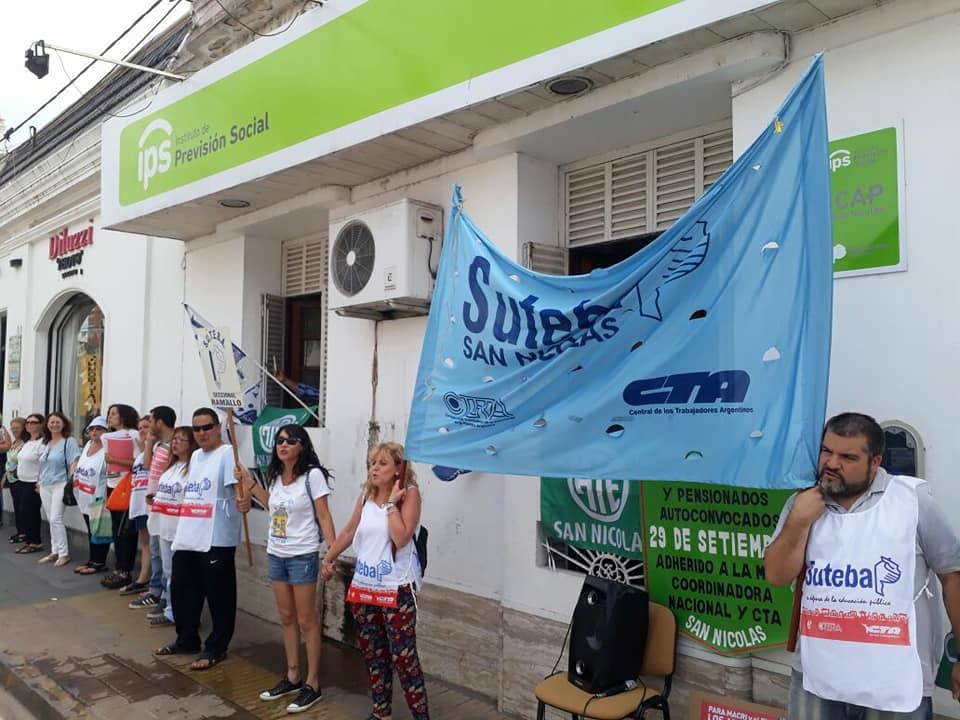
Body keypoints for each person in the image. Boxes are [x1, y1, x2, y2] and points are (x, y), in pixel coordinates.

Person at [764, 412, 960, 719]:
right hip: (818, 675)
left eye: (847, 457)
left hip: (895, 679)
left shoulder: (912, 501)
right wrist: (798, 521)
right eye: (826, 451)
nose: (831, 463)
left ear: (874, 462)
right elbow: (776, 575)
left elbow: (952, 576)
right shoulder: (802, 503)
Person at [321, 442, 429, 720]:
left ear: (398, 468)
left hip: (396, 588)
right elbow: (349, 531)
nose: (374, 469)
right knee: (374, 654)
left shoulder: (409, 495)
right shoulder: (366, 495)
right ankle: (381, 712)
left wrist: (391, 504)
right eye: (372, 463)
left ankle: (421, 716)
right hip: (365, 587)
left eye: (382, 463)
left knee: (404, 658)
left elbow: (401, 538)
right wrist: (329, 558)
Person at [235, 424, 336, 713]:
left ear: (302, 445)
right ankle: (292, 676)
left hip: (302, 555)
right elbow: (273, 506)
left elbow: (324, 516)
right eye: (279, 440)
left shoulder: (312, 476)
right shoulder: (276, 476)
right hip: (276, 553)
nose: (283, 444)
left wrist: (331, 554)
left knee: (306, 619)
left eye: (291, 440)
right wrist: (249, 484)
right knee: (286, 617)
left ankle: (312, 683)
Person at [154, 407, 243, 671]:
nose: (202, 433)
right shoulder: (195, 456)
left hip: (217, 536)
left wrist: (245, 498)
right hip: (189, 533)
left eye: (207, 427)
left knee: (219, 596)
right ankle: (186, 639)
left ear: (218, 428)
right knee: (182, 589)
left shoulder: (228, 454)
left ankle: (216, 647)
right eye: (197, 428)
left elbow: (240, 489)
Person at [146, 425, 197, 629]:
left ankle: (179, 613)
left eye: (180, 440)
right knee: (168, 572)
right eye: (173, 439)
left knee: (180, 575)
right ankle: (171, 609)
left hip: (181, 530)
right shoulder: (171, 467)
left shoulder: (193, 469)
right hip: (164, 526)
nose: (174, 443)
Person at [131, 406, 177, 615]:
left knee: (166, 557)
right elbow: (148, 465)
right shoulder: (159, 444)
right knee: (156, 550)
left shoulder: (174, 445)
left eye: (151, 421)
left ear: (159, 422)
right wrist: (149, 443)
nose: (148, 426)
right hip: (154, 506)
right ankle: (156, 591)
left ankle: (167, 599)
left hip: (165, 505)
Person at [102, 404, 143, 590]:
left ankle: (125, 570)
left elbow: (137, 462)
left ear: (124, 416)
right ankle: (119, 567)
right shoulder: (109, 436)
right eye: (109, 414)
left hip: (127, 486)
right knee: (116, 529)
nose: (109, 417)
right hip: (112, 484)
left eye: (113, 414)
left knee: (125, 530)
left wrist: (114, 460)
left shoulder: (133, 435)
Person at [118, 415, 156, 598]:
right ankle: (145, 577)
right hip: (139, 503)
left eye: (146, 426)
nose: (142, 430)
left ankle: (146, 579)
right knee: (145, 543)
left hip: (149, 505)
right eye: (140, 427)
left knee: (151, 544)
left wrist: (148, 445)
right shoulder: (142, 453)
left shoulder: (157, 450)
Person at [37, 412, 81, 566]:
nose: (54, 425)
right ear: (47, 424)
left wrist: (70, 481)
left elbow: (74, 461)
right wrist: (38, 481)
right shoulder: (45, 442)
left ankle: (63, 553)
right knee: (51, 519)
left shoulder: (69, 441)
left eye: (57, 422)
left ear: (63, 424)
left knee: (56, 518)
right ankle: (54, 551)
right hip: (45, 484)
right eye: (51, 422)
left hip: (60, 484)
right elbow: (41, 465)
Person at [74, 416, 110, 574]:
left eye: (99, 429)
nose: (95, 432)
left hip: (99, 496)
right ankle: (91, 559)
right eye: (92, 429)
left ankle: (99, 562)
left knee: (99, 530)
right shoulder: (88, 444)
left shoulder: (107, 449)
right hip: (84, 493)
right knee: (90, 529)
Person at [13, 414, 45, 554]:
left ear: (41, 424)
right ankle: (29, 540)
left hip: (33, 482)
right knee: (24, 512)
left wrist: (40, 482)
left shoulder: (42, 443)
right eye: (28, 422)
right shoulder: (27, 442)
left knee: (32, 512)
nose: (30, 425)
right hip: (22, 481)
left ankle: (35, 542)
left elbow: (44, 465)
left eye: (34, 422)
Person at [4, 418, 27, 543]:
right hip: (11, 479)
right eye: (12, 428)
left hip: (21, 479)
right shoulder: (14, 442)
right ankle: (20, 531)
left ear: (23, 428)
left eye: (17, 428)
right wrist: (4, 477)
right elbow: (9, 462)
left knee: (23, 507)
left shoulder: (25, 444)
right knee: (17, 507)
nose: (14, 430)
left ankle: (25, 533)